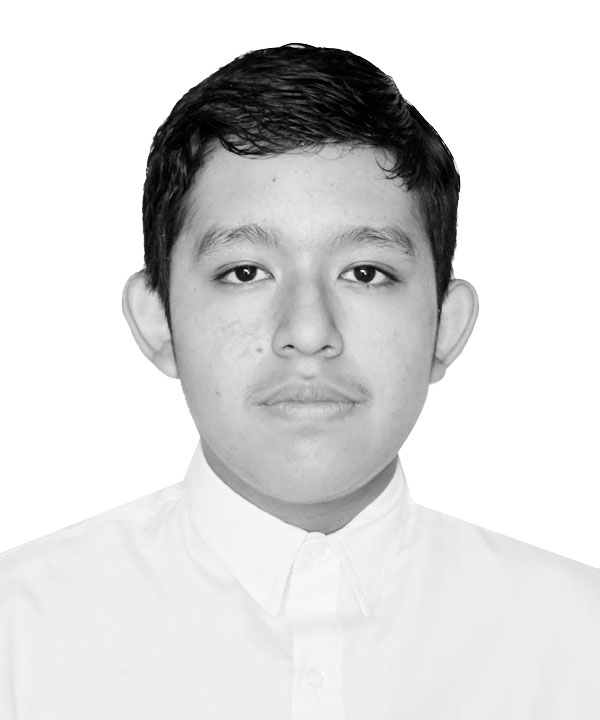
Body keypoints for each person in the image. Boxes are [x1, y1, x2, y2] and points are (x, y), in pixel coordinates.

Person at [0, 43, 598, 719]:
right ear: (158, 319)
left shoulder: (581, 645)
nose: (309, 331)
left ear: (445, 325)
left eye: (366, 272)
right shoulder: (17, 641)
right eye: (245, 272)